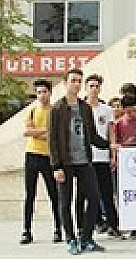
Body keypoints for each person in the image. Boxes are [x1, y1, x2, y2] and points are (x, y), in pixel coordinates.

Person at [49, 68, 110, 254]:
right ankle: (71, 239)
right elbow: (52, 140)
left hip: (84, 161)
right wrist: (56, 166)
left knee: (93, 198)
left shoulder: (85, 108)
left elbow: (92, 135)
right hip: (65, 163)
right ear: (65, 83)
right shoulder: (57, 108)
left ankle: (86, 238)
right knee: (65, 202)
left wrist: (110, 145)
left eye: (78, 81)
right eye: (73, 80)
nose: (76, 84)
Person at [75, 74, 118, 238]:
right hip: (84, 157)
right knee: (82, 193)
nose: (94, 89)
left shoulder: (106, 110)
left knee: (106, 192)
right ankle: (83, 226)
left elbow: (111, 132)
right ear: (86, 88)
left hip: (102, 155)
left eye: (96, 86)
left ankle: (113, 224)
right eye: (91, 86)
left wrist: (113, 154)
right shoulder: (79, 108)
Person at [20, 79, 62, 245]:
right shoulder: (31, 111)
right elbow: (27, 132)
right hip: (32, 154)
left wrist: (37, 132)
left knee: (54, 194)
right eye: (38, 92)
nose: (42, 95)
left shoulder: (55, 111)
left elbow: (57, 134)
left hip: (50, 156)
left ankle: (58, 229)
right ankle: (26, 230)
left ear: (50, 93)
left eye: (44, 92)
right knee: (30, 194)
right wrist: (46, 131)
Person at [110, 93, 136, 240]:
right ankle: (132, 226)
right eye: (128, 112)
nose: (132, 114)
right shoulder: (119, 124)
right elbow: (115, 144)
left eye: (134, 110)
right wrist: (117, 154)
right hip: (126, 165)